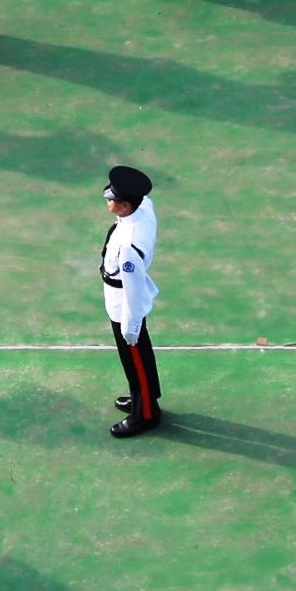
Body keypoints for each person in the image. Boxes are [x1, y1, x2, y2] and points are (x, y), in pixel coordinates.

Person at [100, 165, 162, 436]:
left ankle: (145, 414)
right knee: (139, 361)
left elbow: (133, 290)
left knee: (135, 358)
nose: (108, 200)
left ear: (125, 206)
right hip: (121, 296)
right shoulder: (143, 209)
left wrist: (131, 326)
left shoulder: (128, 248)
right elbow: (145, 198)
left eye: (112, 199)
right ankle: (144, 398)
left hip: (123, 303)